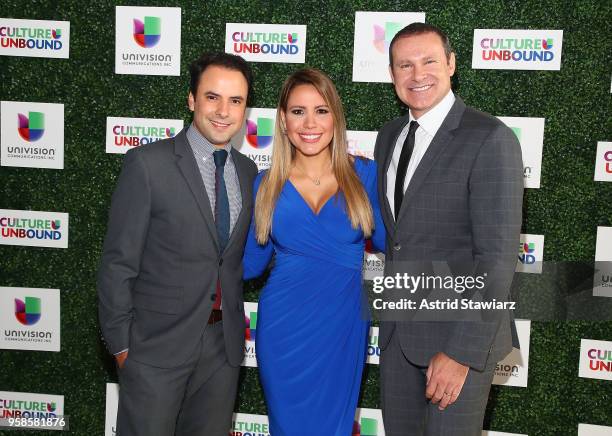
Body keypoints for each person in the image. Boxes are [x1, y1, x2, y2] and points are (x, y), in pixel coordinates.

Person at [97, 52, 258, 436]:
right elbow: (118, 263)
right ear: (191, 99)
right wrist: (123, 347)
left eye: (235, 101)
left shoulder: (248, 172)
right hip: (155, 348)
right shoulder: (148, 164)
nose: (223, 111)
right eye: (212, 97)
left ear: (245, 109)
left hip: (223, 348)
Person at [374, 23, 523, 435]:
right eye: (405, 64)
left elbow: (496, 260)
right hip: (398, 337)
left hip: (457, 344)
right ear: (392, 74)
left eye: (429, 61)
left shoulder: (490, 137)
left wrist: (460, 353)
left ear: (452, 64)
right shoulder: (389, 136)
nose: (417, 74)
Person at [243, 68, 385, 435]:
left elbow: (394, 243)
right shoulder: (266, 183)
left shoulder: (366, 176)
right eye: (297, 111)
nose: (310, 123)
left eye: (321, 111)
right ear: (282, 120)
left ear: (336, 118)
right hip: (283, 329)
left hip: (343, 324)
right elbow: (248, 264)